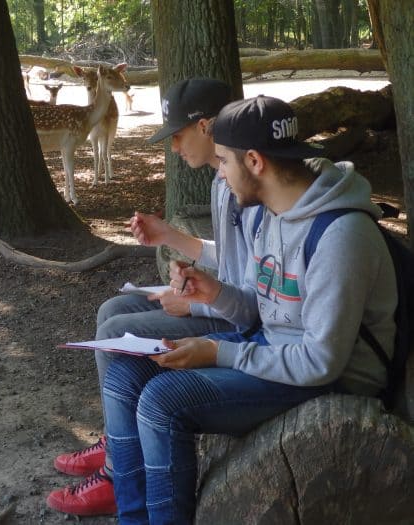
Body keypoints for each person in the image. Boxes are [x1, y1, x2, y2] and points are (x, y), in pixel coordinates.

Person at [101, 95, 398, 524]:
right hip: (275, 349)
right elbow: (258, 312)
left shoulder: (341, 234)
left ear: (255, 161)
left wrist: (217, 351)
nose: (219, 173)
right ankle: (133, 517)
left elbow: (321, 363)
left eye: (223, 161)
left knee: (164, 401)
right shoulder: (266, 214)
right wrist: (213, 293)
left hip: (337, 377)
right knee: (128, 366)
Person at [47, 78, 252, 517]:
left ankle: (120, 476)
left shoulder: (245, 180)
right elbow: (236, 260)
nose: (174, 148)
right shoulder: (223, 178)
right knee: (112, 310)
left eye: (177, 136)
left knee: (120, 329)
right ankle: (116, 444)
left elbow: (257, 287)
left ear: (205, 125)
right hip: (226, 301)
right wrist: (171, 238)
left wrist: (194, 302)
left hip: (236, 319)